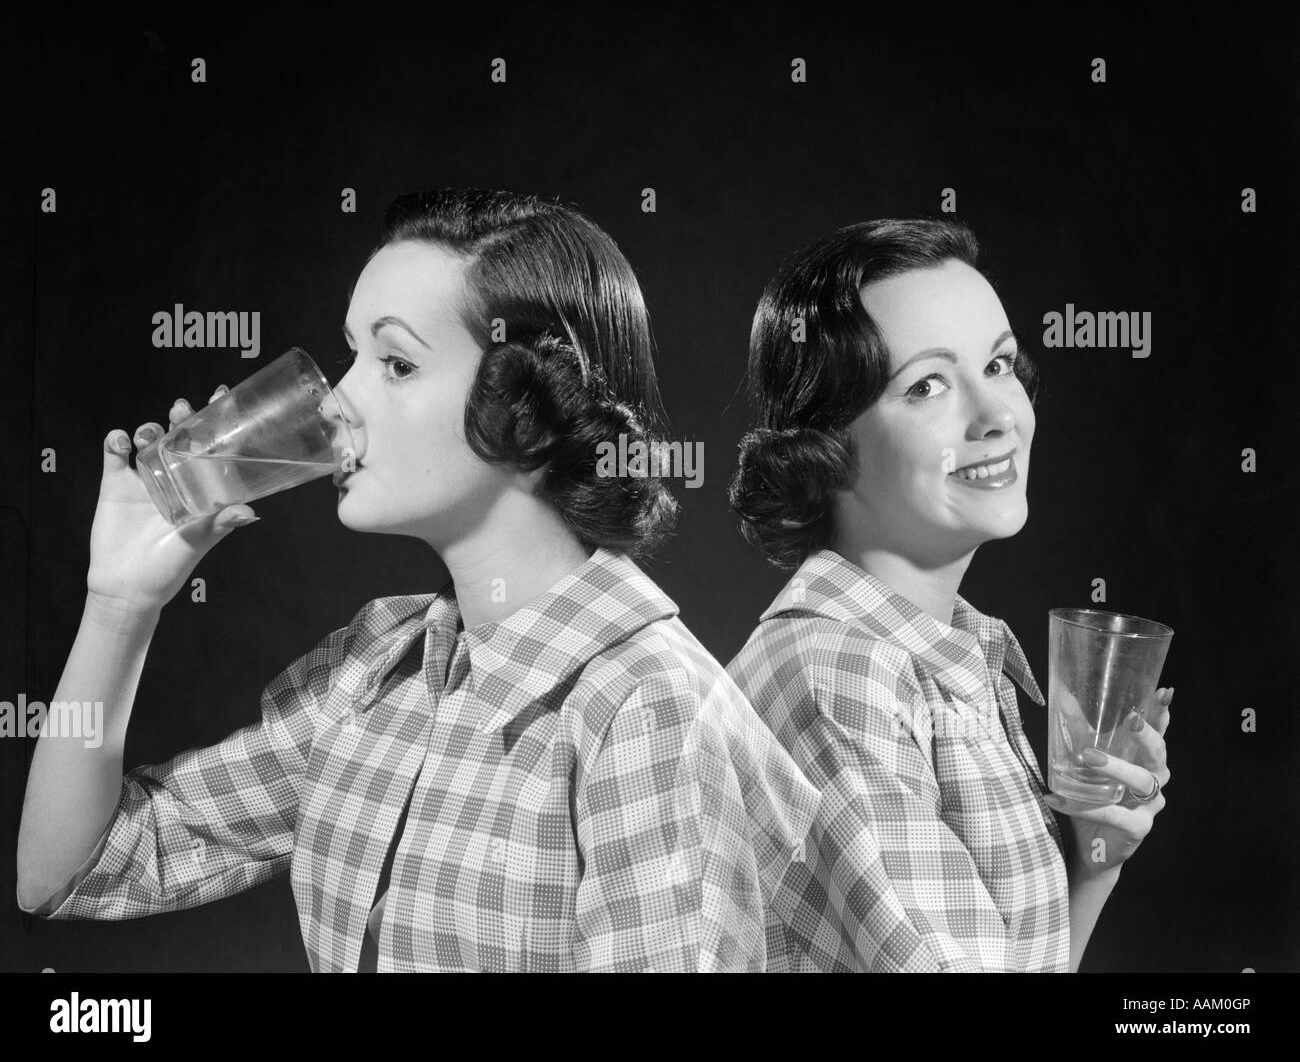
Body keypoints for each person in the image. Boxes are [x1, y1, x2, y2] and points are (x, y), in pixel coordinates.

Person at [16, 186, 818, 972]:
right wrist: (120, 605)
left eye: (395, 363)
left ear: (530, 411)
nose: (336, 402)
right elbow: (73, 871)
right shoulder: (375, 669)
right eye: (352, 354)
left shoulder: (647, 709)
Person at [725, 218, 1172, 972]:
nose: (998, 416)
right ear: (825, 448)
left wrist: (1094, 863)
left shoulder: (939, 656)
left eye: (998, 365)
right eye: (927, 385)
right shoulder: (841, 677)